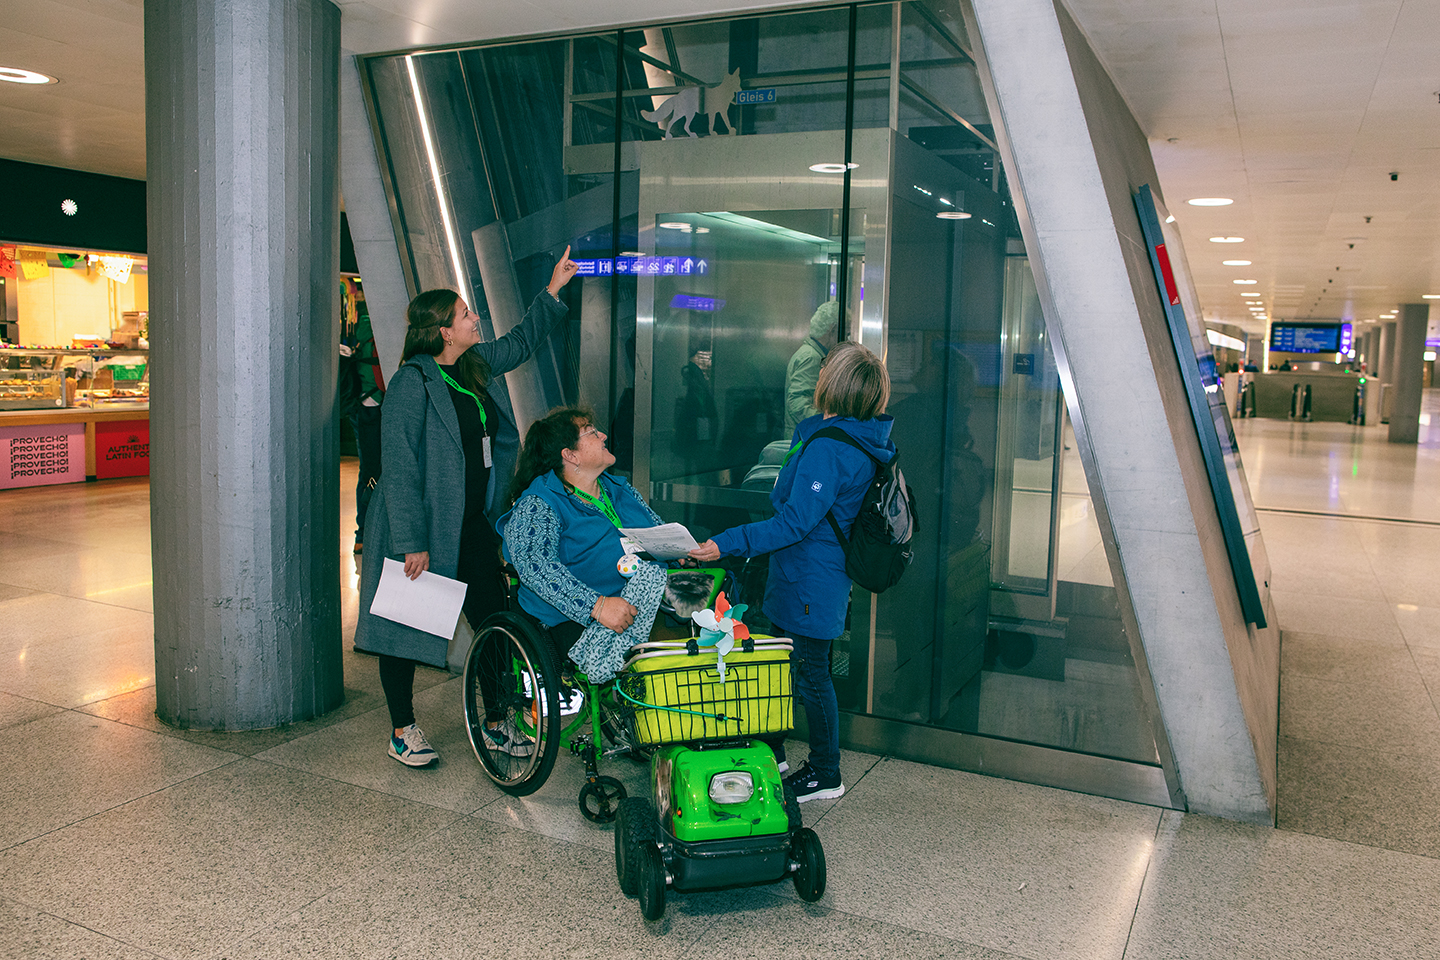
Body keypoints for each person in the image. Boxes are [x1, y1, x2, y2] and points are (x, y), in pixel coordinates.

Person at [354, 247, 579, 767]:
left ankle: (497, 718)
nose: (474, 317)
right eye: (464, 314)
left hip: (470, 524)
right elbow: (401, 467)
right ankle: (402, 728)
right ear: (443, 332)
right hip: (425, 528)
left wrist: (552, 291)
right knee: (406, 626)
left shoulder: (472, 366)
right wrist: (413, 542)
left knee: (494, 618)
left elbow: (520, 343)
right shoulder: (412, 383)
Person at [690, 342, 894, 802]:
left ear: (834, 384)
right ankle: (774, 751)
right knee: (783, 666)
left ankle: (825, 772)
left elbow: (795, 522)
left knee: (812, 673)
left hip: (811, 577)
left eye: (826, 369)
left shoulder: (832, 449)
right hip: (807, 573)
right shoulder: (856, 435)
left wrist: (727, 541)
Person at [499, 408, 670, 684]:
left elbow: (657, 530)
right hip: (576, 616)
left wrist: (679, 551)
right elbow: (535, 567)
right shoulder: (539, 503)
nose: (603, 435)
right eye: (591, 431)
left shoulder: (618, 488)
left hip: (639, 598)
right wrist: (597, 606)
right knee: (660, 663)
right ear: (571, 455)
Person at [781, 301, 840, 437]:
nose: (845, 339)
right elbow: (798, 403)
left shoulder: (814, 354)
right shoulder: (811, 358)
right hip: (805, 438)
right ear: (832, 330)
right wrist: (826, 423)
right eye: (846, 333)